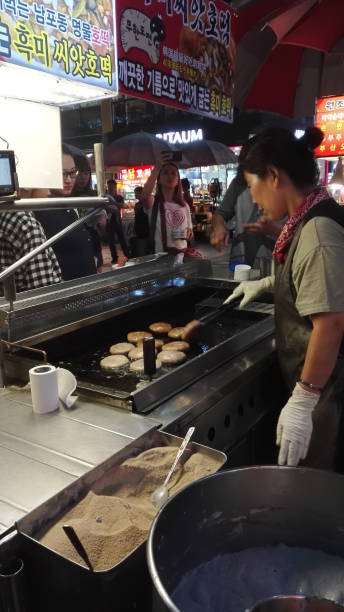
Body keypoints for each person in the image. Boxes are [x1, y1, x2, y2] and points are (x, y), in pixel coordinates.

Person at [226, 127, 344, 470]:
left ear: (274, 176)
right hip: (325, 386)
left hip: (329, 391)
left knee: (321, 486)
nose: (255, 199)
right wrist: (265, 283)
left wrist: (303, 401)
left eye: (252, 187)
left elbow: (332, 322)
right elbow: (314, 281)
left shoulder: (318, 232)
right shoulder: (311, 216)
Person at [35, 145, 97, 281]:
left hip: (85, 288)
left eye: (72, 172)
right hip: (67, 293)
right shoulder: (40, 211)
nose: (69, 180)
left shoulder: (68, 205)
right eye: (62, 173)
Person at [211, 174, 281, 270]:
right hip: (239, 259)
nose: (254, 200)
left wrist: (275, 230)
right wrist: (219, 227)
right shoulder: (238, 183)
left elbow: (298, 232)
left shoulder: (280, 184)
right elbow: (220, 213)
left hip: (271, 263)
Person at [0, 188, 61, 293]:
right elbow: (42, 291)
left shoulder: (5, 212)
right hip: (26, 304)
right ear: (27, 187)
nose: (49, 192)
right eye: (45, 184)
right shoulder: (25, 223)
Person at [141, 153, 196, 263]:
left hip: (181, 258)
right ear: (159, 179)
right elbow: (144, 196)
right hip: (160, 259)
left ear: (178, 180)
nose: (170, 176)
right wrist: (157, 168)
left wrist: (189, 234)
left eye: (173, 173)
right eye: (165, 173)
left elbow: (190, 234)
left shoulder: (184, 205)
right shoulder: (154, 203)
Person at [106, 179, 130, 264]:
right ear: (107, 186)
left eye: (112, 186)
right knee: (111, 241)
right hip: (108, 221)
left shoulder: (119, 197)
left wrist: (114, 203)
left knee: (122, 239)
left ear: (115, 187)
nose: (111, 188)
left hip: (117, 221)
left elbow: (124, 206)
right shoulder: (105, 197)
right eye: (109, 186)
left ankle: (127, 255)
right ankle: (114, 258)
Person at [133, 185, 150, 257]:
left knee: (143, 251)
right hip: (140, 229)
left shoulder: (146, 204)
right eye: (135, 193)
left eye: (136, 193)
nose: (135, 195)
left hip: (144, 229)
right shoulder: (137, 204)